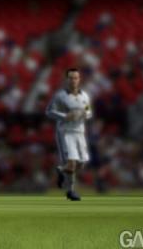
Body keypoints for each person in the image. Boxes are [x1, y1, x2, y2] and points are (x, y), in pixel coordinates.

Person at [46, 66, 92, 201]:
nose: (73, 80)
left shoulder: (85, 96)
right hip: (66, 132)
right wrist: (65, 116)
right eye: (71, 78)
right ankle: (71, 191)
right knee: (71, 163)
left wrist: (85, 114)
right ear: (67, 79)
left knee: (82, 163)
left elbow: (89, 111)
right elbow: (49, 111)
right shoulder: (60, 96)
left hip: (80, 132)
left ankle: (60, 170)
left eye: (76, 78)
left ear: (79, 79)